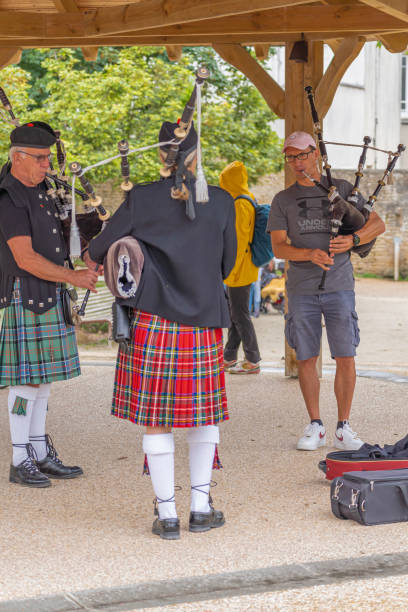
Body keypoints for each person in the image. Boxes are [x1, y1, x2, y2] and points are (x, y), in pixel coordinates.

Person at [88, 121, 236, 540]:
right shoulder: (222, 201)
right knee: (203, 415)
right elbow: (228, 265)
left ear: (160, 155)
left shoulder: (141, 199)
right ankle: (201, 508)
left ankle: (168, 516)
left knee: (156, 418)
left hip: (153, 320)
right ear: (196, 154)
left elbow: (99, 250)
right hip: (205, 320)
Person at [267, 131, 385, 451]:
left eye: (302, 155)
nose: (296, 162)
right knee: (307, 357)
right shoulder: (283, 200)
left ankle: (343, 426)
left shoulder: (343, 189)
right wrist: (309, 254)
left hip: (339, 286)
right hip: (302, 289)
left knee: (346, 355)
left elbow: (377, 223)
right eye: (290, 157)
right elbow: (278, 246)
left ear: (316, 153)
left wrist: (354, 240)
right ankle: (315, 424)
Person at [0, 122, 99, 486]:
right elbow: (24, 258)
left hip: (49, 291)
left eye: (47, 157)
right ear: (17, 157)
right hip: (25, 294)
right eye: (40, 159)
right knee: (25, 383)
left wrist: (88, 256)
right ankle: (19, 458)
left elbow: (64, 237)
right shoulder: (8, 197)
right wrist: (72, 277)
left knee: (43, 382)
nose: (47, 165)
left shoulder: (44, 189)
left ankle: (39, 452)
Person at [219, 161, 261, 374]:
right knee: (235, 312)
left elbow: (238, 242)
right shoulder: (247, 198)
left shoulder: (239, 204)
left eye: (224, 181)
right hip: (244, 267)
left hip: (239, 269)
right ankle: (229, 356)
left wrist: (230, 270)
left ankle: (253, 360)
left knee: (240, 314)